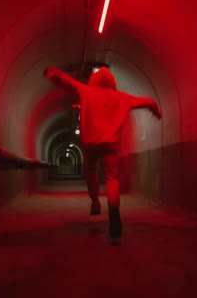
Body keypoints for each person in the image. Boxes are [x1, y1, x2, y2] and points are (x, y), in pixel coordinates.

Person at [44, 66, 162, 242]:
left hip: (90, 143)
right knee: (112, 177)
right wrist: (156, 110)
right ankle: (114, 214)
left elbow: (67, 82)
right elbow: (146, 101)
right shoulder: (122, 97)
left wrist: (53, 73)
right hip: (111, 144)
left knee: (90, 169)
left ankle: (95, 203)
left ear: (94, 80)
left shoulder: (86, 91)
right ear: (112, 82)